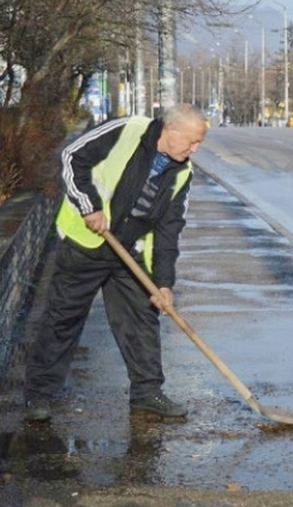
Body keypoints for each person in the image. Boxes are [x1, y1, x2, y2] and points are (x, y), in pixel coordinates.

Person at [23, 103, 208, 422]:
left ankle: (147, 394)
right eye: (192, 141)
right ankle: (39, 395)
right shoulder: (128, 130)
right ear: (171, 130)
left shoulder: (182, 173)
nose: (195, 149)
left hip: (129, 250)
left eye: (199, 143)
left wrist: (163, 283)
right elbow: (72, 157)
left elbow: (169, 231)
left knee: (141, 319)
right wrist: (89, 206)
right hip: (86, 243)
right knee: (63, 318)